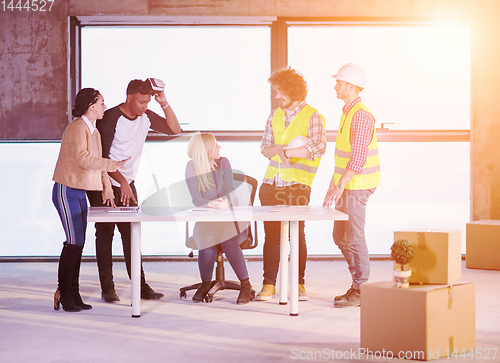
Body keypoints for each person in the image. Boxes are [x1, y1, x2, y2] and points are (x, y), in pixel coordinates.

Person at [87, 79, 181, 303]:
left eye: (148, 102)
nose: (144, 106)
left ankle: (140, 285)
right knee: (105, 234)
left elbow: (174, 130)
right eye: (141, 102)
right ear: (129, 97)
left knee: (131, 235)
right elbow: (103, 158)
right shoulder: (110, 118)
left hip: (128, 183)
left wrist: (164, 103)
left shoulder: (146, 116)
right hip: (105, 184)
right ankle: (107, 288)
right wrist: (122, 182)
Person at [52, 88, 129, 312]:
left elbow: (98, 162)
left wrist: (107, 190)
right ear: (91, 105)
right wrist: (114, 165)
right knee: (73, 243)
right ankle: (65, 294)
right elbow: (84, 159)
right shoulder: (77, 127)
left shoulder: (93, 132)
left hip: (80, 192)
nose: (105, 106)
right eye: (102, 103)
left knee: (78, 244)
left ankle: (73, 295)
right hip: (66, 191)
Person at [257, 67, 327, 302]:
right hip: (270, 184)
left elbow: (318, 147)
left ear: (294, 91)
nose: (277, 97)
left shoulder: (313, 116)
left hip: (297, 185)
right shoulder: (274, 116)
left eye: (281, 92)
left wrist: (288, 150)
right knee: (272, 236)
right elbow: (264, 149)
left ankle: (298, 283)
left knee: (297, 235)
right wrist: (277, 150)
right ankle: (269, 284)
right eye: (276, 92)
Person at [323, 63, 381, 308]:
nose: (335, 85)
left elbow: (357, 160)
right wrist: (332, 186)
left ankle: (361, 289)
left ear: (351, 86)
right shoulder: (347, 112)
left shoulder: (362, 115)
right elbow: (342, 158)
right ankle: (357, 285)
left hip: (358, 184)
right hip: (347, 183)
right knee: (340, 235)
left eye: (339, 82)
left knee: (354, 236)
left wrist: (339, 187)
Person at [185, 132, 254, 304]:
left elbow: (231, 190)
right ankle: (206, 284)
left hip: (233, 221)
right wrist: (211, 204)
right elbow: (196, 199)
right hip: (208, 222)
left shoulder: (223, 162)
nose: (219, 148)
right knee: (206, 244)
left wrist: (225, 202)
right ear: (206, 149)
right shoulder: (192, 167)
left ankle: (246, 285)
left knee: (228, 241)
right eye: (216, 144)